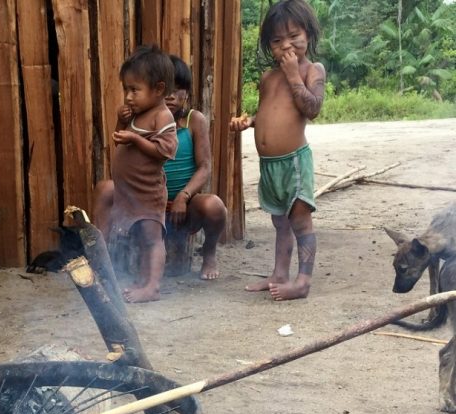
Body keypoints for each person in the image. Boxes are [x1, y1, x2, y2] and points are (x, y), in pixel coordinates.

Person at [230, 0, 325, 300]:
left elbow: (313, 109)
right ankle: (279, 274)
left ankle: (303, 281)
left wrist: (294, 75)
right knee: (279, 221)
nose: (286, 46)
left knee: (299, 220)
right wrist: (249, 122)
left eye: (293, 36)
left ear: (308, 35)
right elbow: (271, 113)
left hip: (294, 163)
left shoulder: (313, 70)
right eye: (276, 40)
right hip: (269, 166)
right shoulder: (268, 78)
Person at [93, 45, 178, 303]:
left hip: (148, 192)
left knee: (152, 239)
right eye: (126, 89)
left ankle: (152, 286)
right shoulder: (137, 114)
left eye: (134, 90)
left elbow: (164, 151)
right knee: (140, 239)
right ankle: (140, 280)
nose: (128, 96)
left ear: (159, 89)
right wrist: (121, 123)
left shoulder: (162, 116)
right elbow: (120, 141)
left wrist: (135, 139)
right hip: (128, 191)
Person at [164, 54, 227, 280]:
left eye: (177, 88)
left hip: (186, 206)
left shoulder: (194, 120)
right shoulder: (144, 122)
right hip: (151, 206)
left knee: (214, 206)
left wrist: (183, 196)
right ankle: (108, 261)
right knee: (107, 189)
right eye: (165, 88)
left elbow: (205, 167)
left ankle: (209, 253)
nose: (170, 95)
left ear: (187, 93)